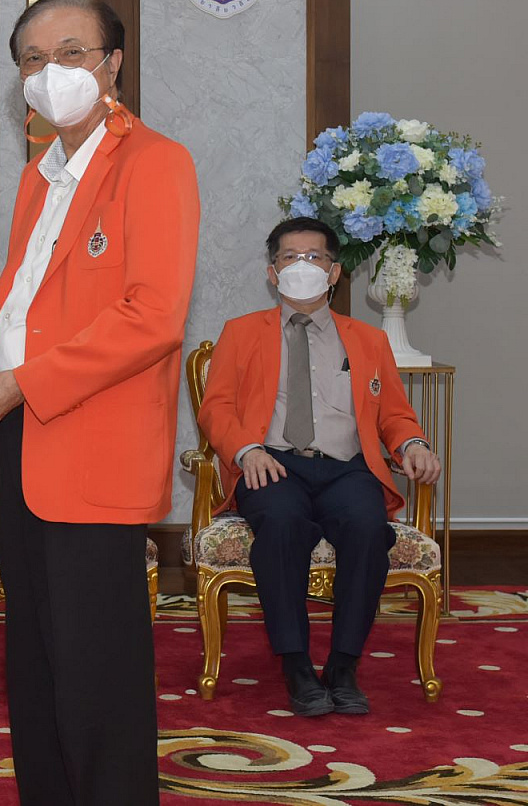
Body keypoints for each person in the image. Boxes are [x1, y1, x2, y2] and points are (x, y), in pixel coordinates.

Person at [0, 0, 199, 806]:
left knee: (97, 671)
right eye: (32, 59)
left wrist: (23, 384)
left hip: (90, 448)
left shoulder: (154, 162)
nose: (50, 72)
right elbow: (31, 313)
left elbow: (153, 316)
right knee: (36, 661)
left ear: (112, 64)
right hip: (20, 442)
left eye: (71, 52)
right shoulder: (43, 175)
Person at [197, 216, 439, 715]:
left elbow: (394, 415)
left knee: (368, 527)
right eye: (290, 257)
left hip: (347, 467)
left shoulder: (367, 340)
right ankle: (297, 666)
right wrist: (247, 450)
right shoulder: (241, 333)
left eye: (314, 257)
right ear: (272, 272)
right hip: (272, 465)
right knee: (282, 524)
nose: (302, 266)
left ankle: (344, 666)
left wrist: (413, 443)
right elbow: (216, 409)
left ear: (334, 272)